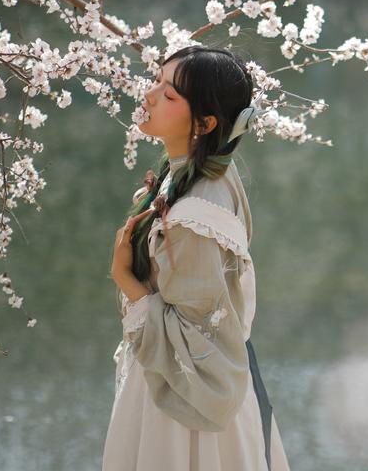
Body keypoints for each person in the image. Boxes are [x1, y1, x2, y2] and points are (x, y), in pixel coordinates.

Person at [103, 45, 291, 470]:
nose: (149, 95)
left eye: (169, 95)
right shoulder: (208, 171)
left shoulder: (192, 216)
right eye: (157, 81)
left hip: (187, 405)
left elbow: (195, 336)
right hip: (201, 381)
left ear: (205, 122)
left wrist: (125, 279)